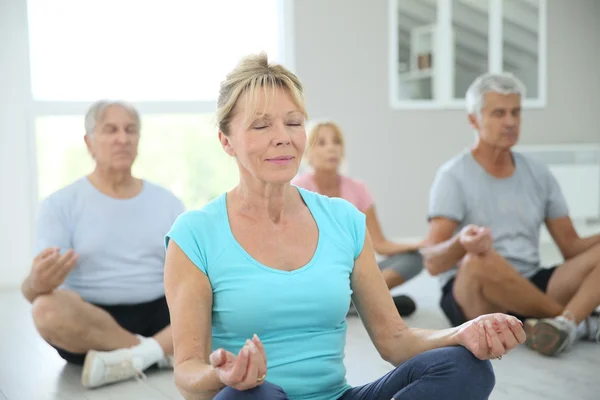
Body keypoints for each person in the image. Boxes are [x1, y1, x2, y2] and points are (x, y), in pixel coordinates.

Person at [163, 53, 525, 400]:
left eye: (293, 122)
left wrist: (461, 332)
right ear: (226, 140)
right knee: (255, 394)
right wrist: (222, 375)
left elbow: (395, 340)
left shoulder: (344, 219)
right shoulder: (194, 234)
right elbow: (187, 374)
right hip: (254, 397)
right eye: (261, 125)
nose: (283, 137)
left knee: (464, 366)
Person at [421, 72, 600, 358]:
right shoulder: (452, 176)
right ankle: (572, 320)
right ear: (473, 120)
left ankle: (557, 324)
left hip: (531, 281)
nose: (510, 122)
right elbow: (431, 261)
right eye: (499, 113)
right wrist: (461, 244)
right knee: (478, 261)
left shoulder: (539, 173)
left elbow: (571, 247)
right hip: (477, 296)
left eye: (516, 112)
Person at [22, 101, 185, 388]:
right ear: (89, 142)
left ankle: (132, 358)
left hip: (162, 316)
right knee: (44, 309)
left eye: (130, 130)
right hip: (89, 324)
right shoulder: (60, 205)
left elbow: (189, 276)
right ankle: (156, 353)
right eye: (110, 130)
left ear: (138, 140)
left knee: (217, 292)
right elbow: (31, 291)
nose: (122, 138)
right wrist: (36, 282)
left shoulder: (168, 203)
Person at [292, 121, 423, 317]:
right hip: (319, 273)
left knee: (413, 259)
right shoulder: (298, 188)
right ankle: (358, 301)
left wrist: (419, 244)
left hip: (354, 273)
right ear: (307, 153)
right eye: (321, 142)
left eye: (336, 142)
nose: (331, 148)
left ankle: (349, 300)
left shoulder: (358, 188)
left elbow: (380, 243)